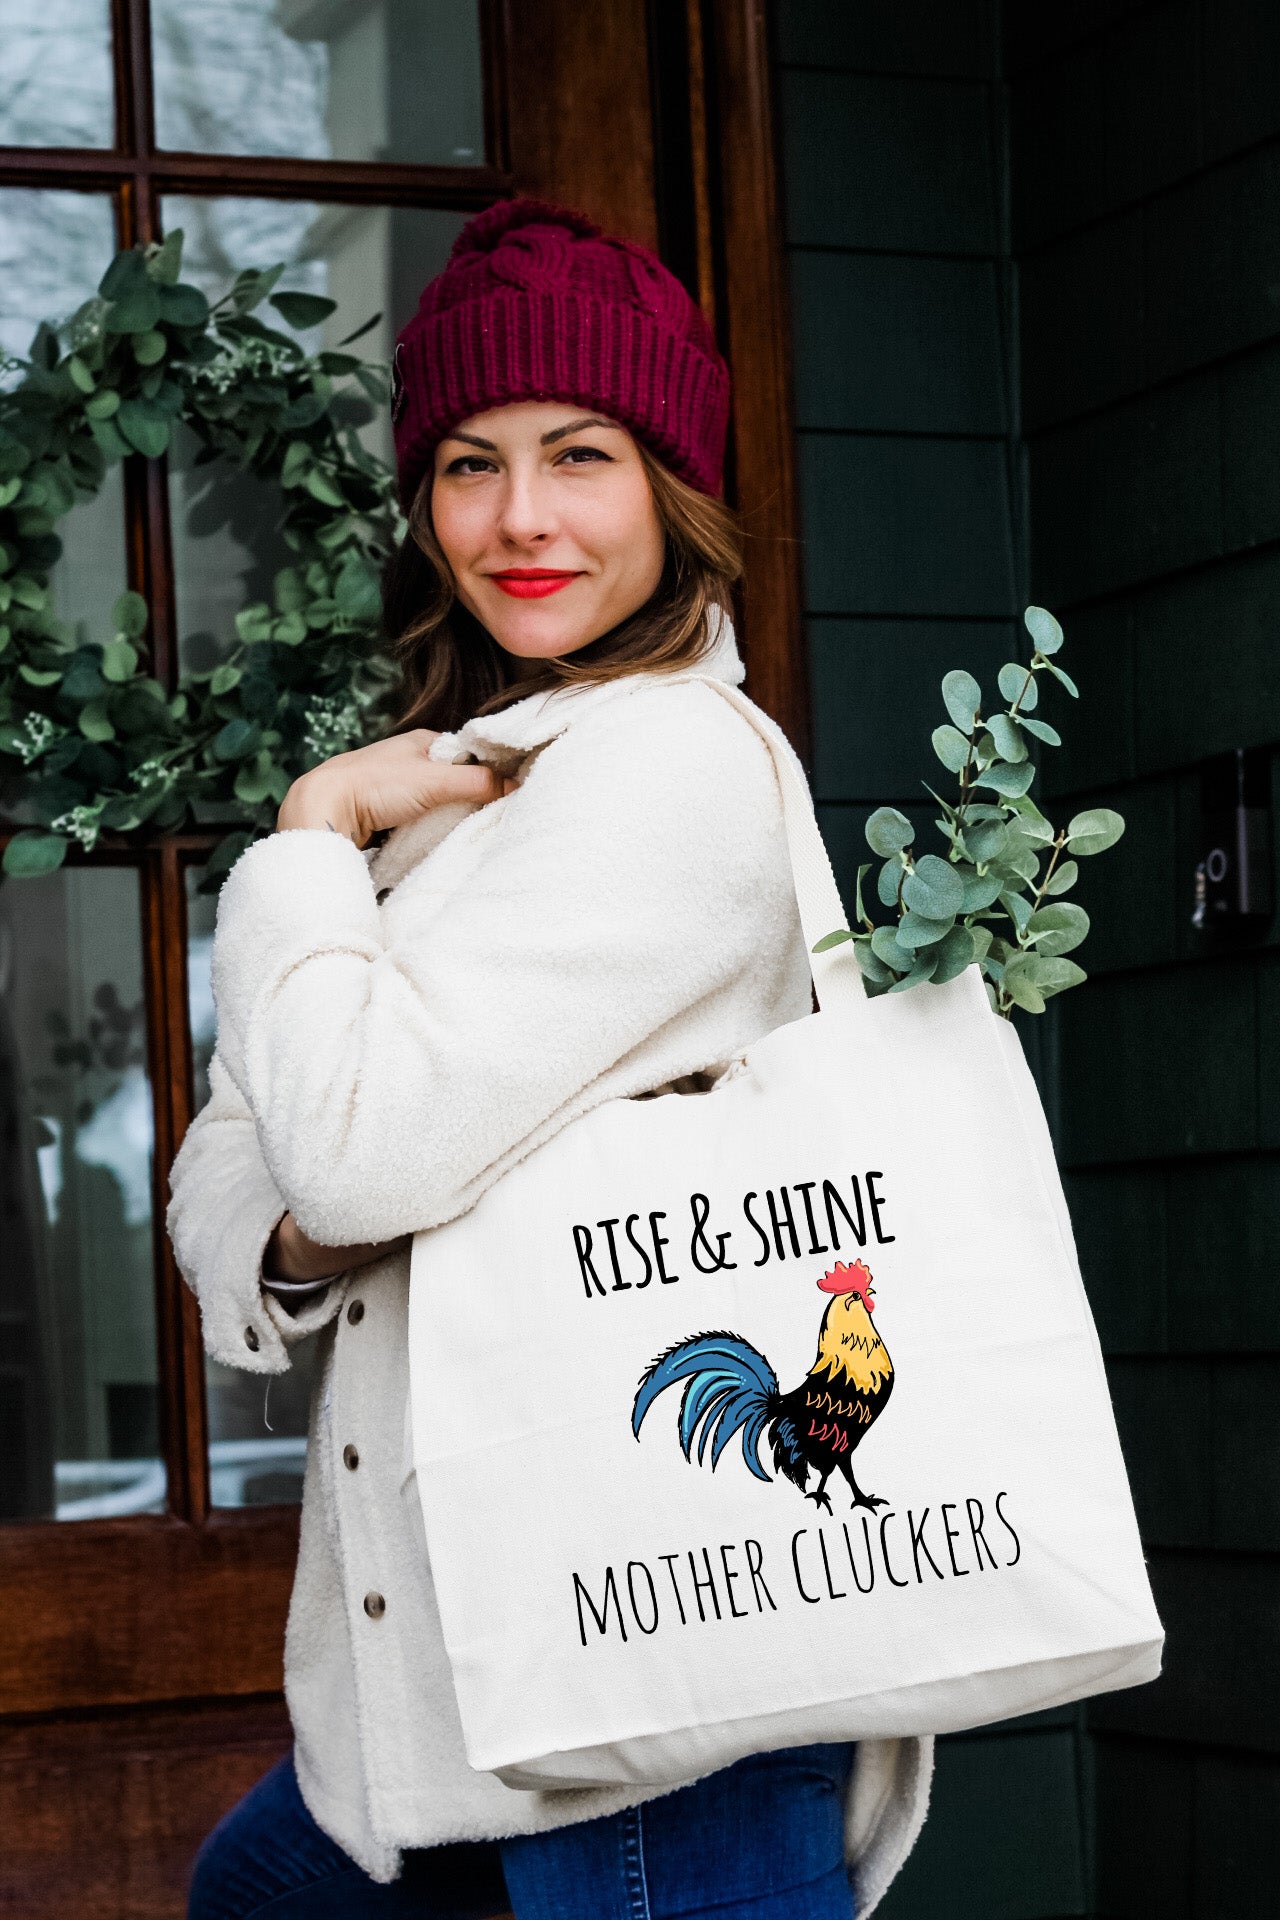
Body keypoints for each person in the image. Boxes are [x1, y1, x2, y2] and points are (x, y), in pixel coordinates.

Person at [171, 199, 932, 1920]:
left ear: (672, 485)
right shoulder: (465, 788)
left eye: (578, 454)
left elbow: (348, 1152)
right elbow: (238, 1172)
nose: (518, 518)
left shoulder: (663, 768)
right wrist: (309, 1205)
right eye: (466, 462)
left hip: (652, 1692)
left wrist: (304, 836)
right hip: (450, 1687)